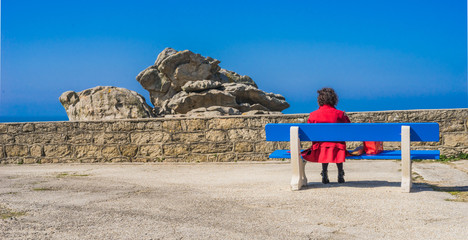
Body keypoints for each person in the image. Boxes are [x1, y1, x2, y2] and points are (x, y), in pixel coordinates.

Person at [306, 87, 350, 184]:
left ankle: (324, 173)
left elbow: (310, 132)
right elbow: (348, 128)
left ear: (320, 100)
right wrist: (345, 116)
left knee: (324, 145)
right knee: (337, 144)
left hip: (320, 147)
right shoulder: (340, 114)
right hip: (338, 147)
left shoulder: (313, 115)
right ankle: (340, 173)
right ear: (333, 99)